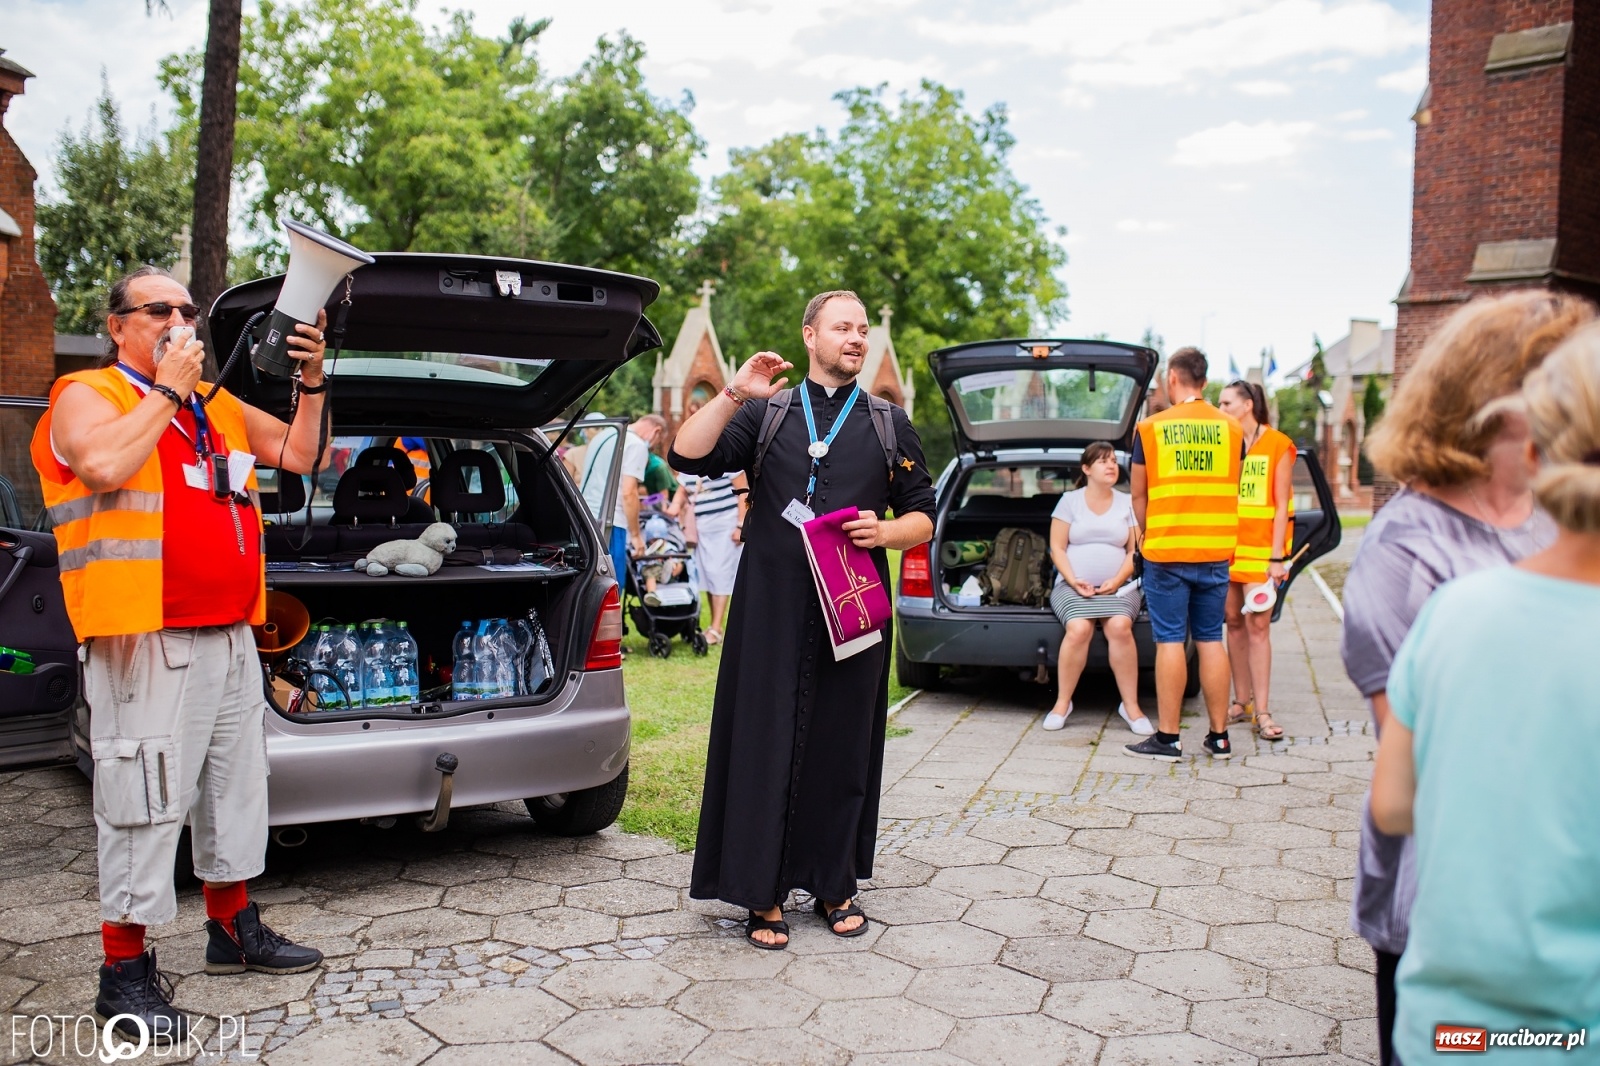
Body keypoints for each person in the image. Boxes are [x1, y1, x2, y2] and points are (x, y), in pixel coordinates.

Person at [30, 266, 329, 1041]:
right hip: (144, 637)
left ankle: (232, 930)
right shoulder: (87, 396)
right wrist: (166, 389)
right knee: (141, 799)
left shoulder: (213, 404)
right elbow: (100, 466)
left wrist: (315, 378)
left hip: (231, 632)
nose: (177, 318)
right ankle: (122, 973)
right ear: (118, 324)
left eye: (186, 308)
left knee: (236, 788)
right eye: (157, 308)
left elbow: (300, 455)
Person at [1340, 290, 1593, 1065]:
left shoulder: (1559, 520)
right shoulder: (1404, 555)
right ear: (1492, 405)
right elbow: (1415, 783)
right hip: (1446, 914)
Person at [669, 290, 935, 949]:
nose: (856, 338)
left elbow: (924, 514)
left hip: (854, 611)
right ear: (810, 336)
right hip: (771, 607)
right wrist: (734, 391)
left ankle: (833, 882)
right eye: (842, 327)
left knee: (843, 748)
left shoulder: (887, 422)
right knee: (763, 744)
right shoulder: (766, 413)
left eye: (863, 329)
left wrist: (889, 530)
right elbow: (685, 453)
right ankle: (761, 894)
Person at [1125, 347, 1244, 762]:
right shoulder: (1232, 430)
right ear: (1204, 382)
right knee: (1212, 639)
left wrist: (1146, 534)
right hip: (1214, 550)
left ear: (1172, 379)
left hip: (1168, 550)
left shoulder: (1152, 429)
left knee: (1171, 641)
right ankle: (1220, 738)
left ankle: (1169, 738)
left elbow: (1138, 495)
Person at [1042, 441, 1152, 735]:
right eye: (1103, 461)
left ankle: (1131, 706)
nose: (1111, 465)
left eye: (1114, 460)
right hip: (1072, 586)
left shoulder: (1128, 502)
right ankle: (1062, 704)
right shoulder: (1069, 501)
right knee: (1079, 629)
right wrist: (1074, 579)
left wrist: (1116, 581)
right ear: (1086, 469)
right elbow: (1057, 547)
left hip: (1118, 589)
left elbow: (1135, 551)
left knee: (1119, 627)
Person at [1217, 379, 1295, 741]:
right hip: (1228, 547)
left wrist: (1277, 557)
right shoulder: (1227, 444)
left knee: (1258, 627)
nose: (1221, 411)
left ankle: (1262, 711)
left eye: (1226, 404)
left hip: (1262, 552)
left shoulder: (1278, 445)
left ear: (1247, 405)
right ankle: (1240, 702)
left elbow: (1281, 506)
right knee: (1232, 622)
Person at [676, 467, 748, 643]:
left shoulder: (729, 463)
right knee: (707, 577)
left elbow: (743, 491)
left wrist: (740, 525)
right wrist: (670, 510)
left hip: (725, 526)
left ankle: (716, 628)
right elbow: (682, 491)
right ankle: (714, 626)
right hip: (701, 529)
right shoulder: (690, 465)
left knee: (719, 574)